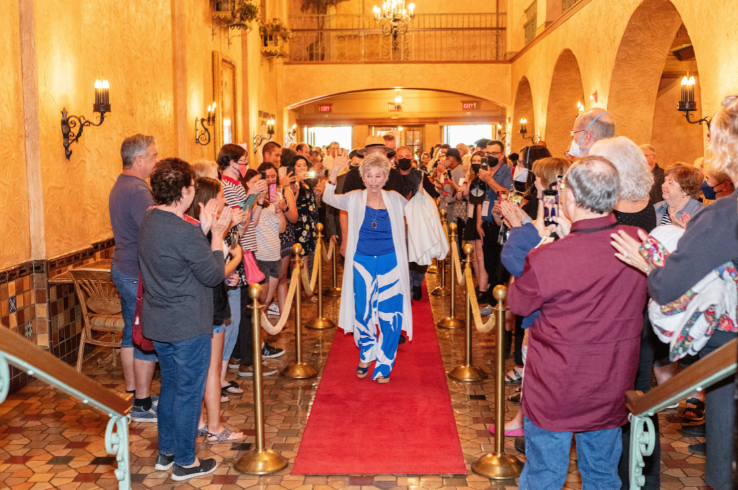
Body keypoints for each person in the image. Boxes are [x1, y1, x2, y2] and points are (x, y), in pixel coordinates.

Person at [610, 96, 738, 490]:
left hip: (726, 351)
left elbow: (667, 287)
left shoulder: (722, 214)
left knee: (721, 459)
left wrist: (647, 261)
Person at [510, 156, 648, 489]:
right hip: (612, 382)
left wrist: (536, 241)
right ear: (615, 198)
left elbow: (517, 302)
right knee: (602, 475)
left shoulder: (550, 255)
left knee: (544, 476)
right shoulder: (638, 241)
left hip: (556, 386)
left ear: (569, 197)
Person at [138, 158, 233, 481]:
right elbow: (213, 275)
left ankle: (167, 452)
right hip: (187, 324)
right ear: (184, 191)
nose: (194, 190)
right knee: (189, 392)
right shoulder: (183, 231)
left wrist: (203, 230)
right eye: (192, 186)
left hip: (160, 321)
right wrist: (217, 235)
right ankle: (186, 462)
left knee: (170, 388)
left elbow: (176, 257)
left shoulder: (150, 220)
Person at [589, 136, 661, 489]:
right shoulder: (651, 205)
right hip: (642, 315)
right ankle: (641, 479)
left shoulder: (612, 212)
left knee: (624, 399)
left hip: (620, 316)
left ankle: (624, 476)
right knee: (641, 398)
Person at [323, 152, 424, 383]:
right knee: (363, 311)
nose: (374, 180)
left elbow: (418, 215)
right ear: (363, 176)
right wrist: (334, 171)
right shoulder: (353, 197)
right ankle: (367, 351)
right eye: (369, 175)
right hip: (362, 261)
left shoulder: (396, 199)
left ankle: (385, 361)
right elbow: (329, 198)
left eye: (378, 175)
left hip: (391, 261)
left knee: (390, 314)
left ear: (386, 177)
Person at [186, 177, 245, 443]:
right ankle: (215, 427)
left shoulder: (191, 228)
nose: (225, 200)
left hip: (198, 302)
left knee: (198, 367)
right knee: (211, 368)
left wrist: (228, 274)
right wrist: (236, 262)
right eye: (221, 195)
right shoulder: (212, 230)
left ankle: (199, 421)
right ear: (210, 199)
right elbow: (218, 268)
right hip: (210, 305)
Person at [216, 144, 280, 378]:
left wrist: (258, 199)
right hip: (238, 251)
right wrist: (252, 193)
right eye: (242, 160)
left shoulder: (237, 186)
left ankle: (241, 357)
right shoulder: (228, 187)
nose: (245, 165)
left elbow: (249, 221)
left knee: (246, 309)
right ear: (230, 162)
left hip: (246, 249)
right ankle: (246, 361)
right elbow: (237, 224)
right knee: (244, 311)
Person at [108, 134, 160, 422]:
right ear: (138, 159)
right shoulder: (139, 190)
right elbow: (152, 232)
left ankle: (135, 393)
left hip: (123, 266)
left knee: (131, 332)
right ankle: (141, 401)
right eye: (153, 156)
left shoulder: (121, 183)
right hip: (134, 270)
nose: (156, 160)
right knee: (144, 335)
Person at [254, 163, 287, 311]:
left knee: (266, 301)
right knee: (260, 300)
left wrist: (279, 209)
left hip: (275, 254)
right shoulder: (254, 198)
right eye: (266, 176)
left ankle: (262, 332)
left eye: (273, 176)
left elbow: (282, 229)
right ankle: (258, 333)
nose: (269, 180)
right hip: (260, 255)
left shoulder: (277, 196)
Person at [290, 154, 320, 302]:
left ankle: (305, 288)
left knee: (308, 257)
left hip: (310, 225)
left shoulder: (308, 184)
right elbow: (291, 203)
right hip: (299, 226)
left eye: (304, 165)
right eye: (298, 165)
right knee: (300, 258)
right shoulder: (293, 185)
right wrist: (296, 183)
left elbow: (314, 206)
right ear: (293, 168)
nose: (302, 168)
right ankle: (306, 291)